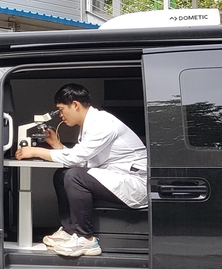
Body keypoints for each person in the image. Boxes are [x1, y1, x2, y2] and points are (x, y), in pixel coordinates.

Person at [14, 83, 147, 257]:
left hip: (135, 182)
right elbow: (83, 159)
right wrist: (56, 145)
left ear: (75, 105)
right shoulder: (90, 125)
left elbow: (77, 160)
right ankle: (70, 231)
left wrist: (36, 151)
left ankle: (86, 239)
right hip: (114, 175)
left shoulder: (103, 124)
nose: (61, 116)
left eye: (61, 110)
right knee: (62, 175)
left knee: (74, 176)